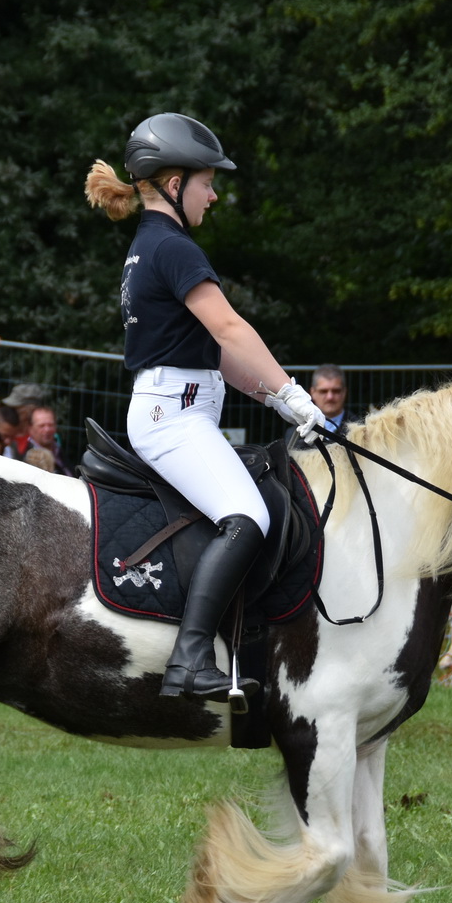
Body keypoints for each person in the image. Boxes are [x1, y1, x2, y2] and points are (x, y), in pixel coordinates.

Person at [84, 111, 321, 700]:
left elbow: (217, 355)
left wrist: (278, 401)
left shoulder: (150, 245)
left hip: (179, 407)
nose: (213, 195)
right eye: (207, 182)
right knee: (249, 517)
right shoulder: (173, 247)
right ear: (173, 184)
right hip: (174, 419)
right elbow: (230, 328)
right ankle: (189, 660)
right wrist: (290, 387)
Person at [15, 406, 68, 474]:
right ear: (30, 428)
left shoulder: (58, 449)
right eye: (41, 426)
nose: (47, 430)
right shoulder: (25, 456)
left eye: (50, 425)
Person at [309, 364, 350, 432]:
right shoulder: (295, 434)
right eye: (323, 391)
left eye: (336, 391)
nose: (330, 397)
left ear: (344, 392)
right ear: (313, 392)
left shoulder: (363, 431)